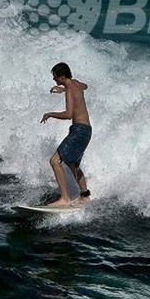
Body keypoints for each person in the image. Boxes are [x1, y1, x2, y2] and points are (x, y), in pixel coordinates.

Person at [40, 62, 92, 207]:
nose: (54, 80)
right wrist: (62, 89)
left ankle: (64, 199)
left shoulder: (70, 89)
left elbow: (69, 114)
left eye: (55, 77)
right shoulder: (75, 84)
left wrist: (50, 114)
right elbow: (85, 86)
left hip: (79, 130)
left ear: (62, 77)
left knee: (55, 161)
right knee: (71, 162)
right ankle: (85, 195)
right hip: (86, 130)